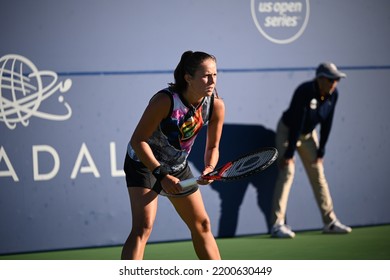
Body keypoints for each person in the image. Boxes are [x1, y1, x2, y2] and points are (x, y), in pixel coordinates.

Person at [121, 51, 225, 259]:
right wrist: (160, 174)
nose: (212, 80)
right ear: (188, 77)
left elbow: (212, 147)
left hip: (177, 166)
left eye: (215, 74)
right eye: (206, 75)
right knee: (143, 226)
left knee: (202, 224)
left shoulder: (215, 105)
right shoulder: (165, 100)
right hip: (143, 163)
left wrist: (210, 168)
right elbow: (138, 140)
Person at [270, 62, 352, 238]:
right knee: (287, 173)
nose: (334, 83)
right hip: (288, 132)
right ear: (320, 79)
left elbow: (327, 123)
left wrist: (321, 150)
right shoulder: (304, 91)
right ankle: (277, 225)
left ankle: (329, 222)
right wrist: (289, 153)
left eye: (336, 80)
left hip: (308, 135)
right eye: (331, 80)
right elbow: (297, 123)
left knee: (318, 174)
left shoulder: (333, 94)